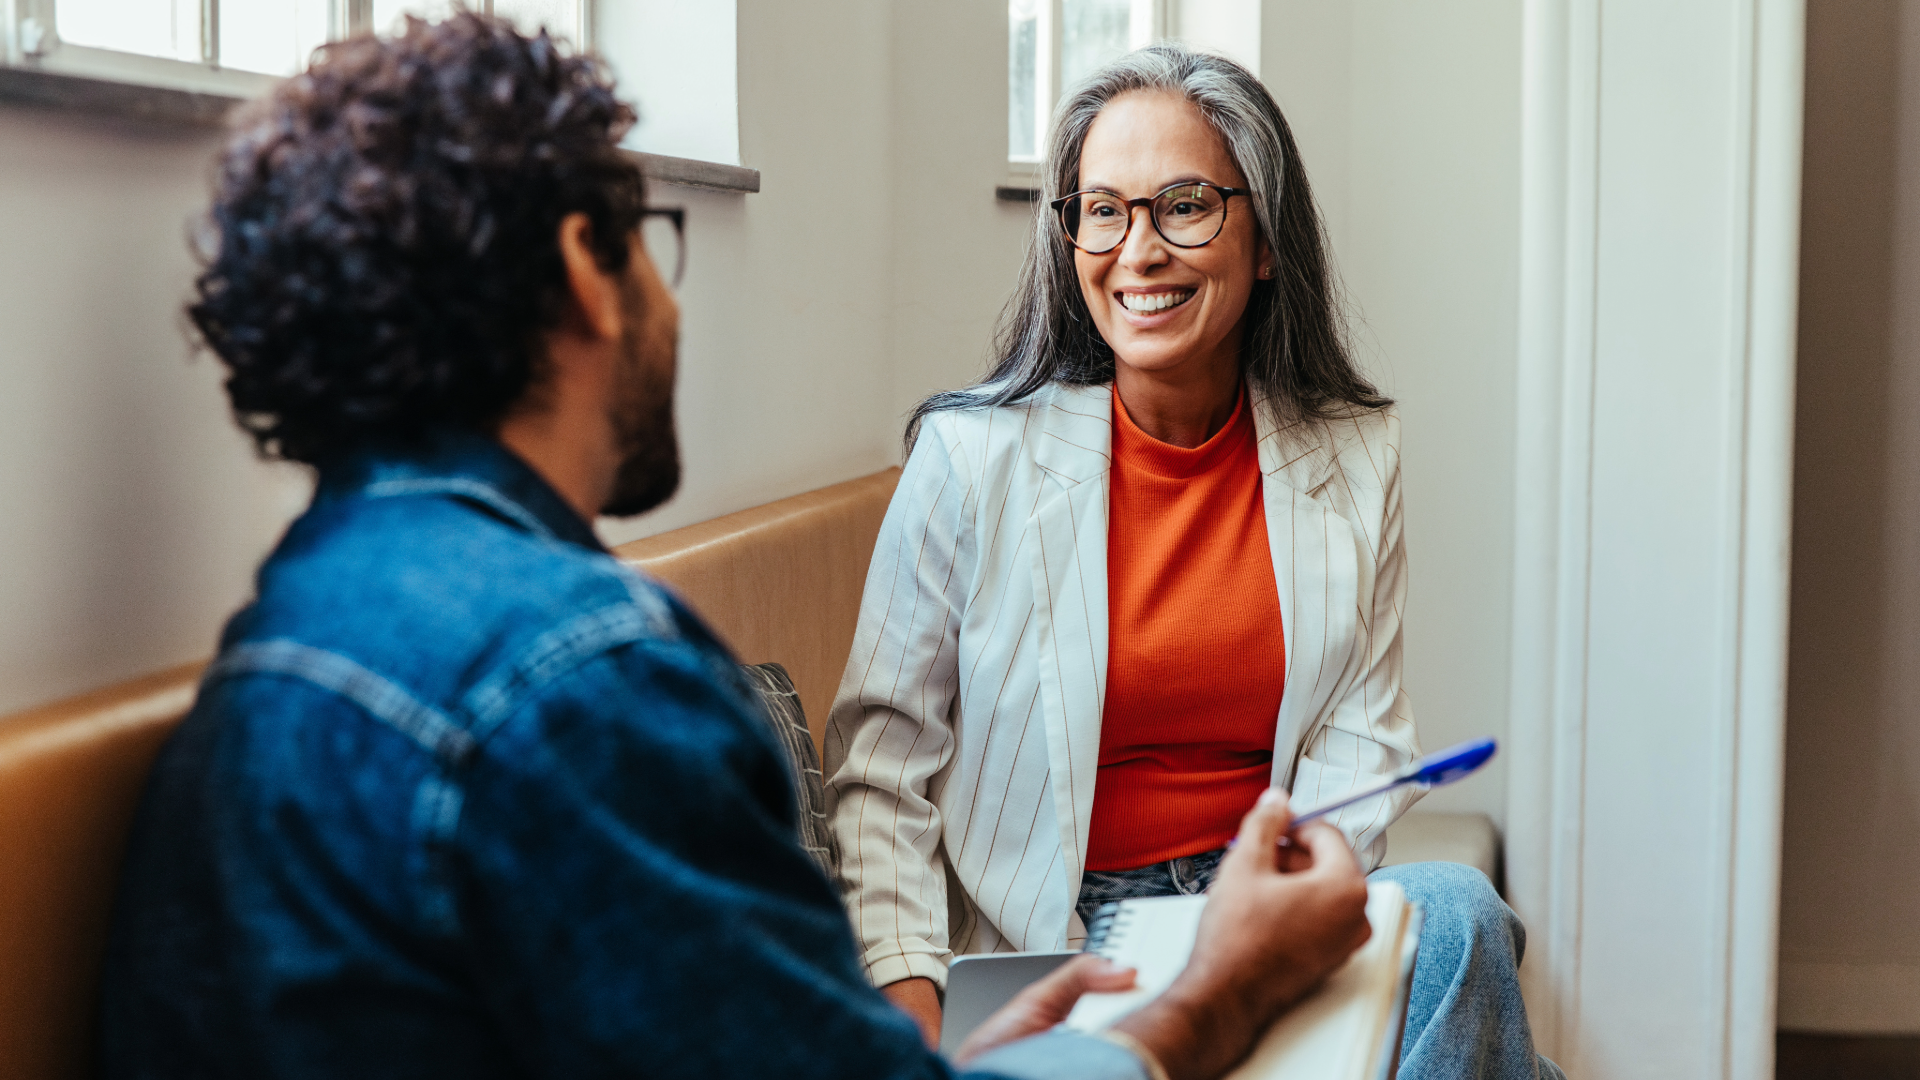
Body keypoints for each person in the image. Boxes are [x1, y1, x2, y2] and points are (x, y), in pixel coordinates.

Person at [95, 14, 1381, 1080]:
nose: (668, 298)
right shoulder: (582, 694)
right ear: (586, 274)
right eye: (654, 244)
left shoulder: (289, 632)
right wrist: (1215, 991)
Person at [824, 44, 1563, 1080]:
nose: (1139, 249)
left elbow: (1359, 742)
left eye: (1185, 204)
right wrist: (911, 1009)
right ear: (1070, 236)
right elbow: (881, 769)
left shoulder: (1354, 456)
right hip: (1067, 942)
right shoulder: (970, 457)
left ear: (1265, 239)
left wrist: (1269, 933)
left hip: (1264, 899)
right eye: (1105, 209)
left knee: (1459, 916)